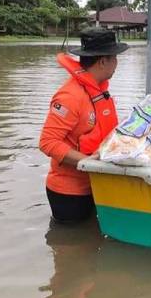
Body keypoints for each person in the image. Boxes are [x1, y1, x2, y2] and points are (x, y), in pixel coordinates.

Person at [39, 27, 128, 223]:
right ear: (103, 61)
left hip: (95, 185)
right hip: (69, 194)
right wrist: (89, 162)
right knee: (69, 240)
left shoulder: (98, 91)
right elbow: (47, 142)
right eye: (115, 57)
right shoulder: (70, 96)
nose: (117, 63)